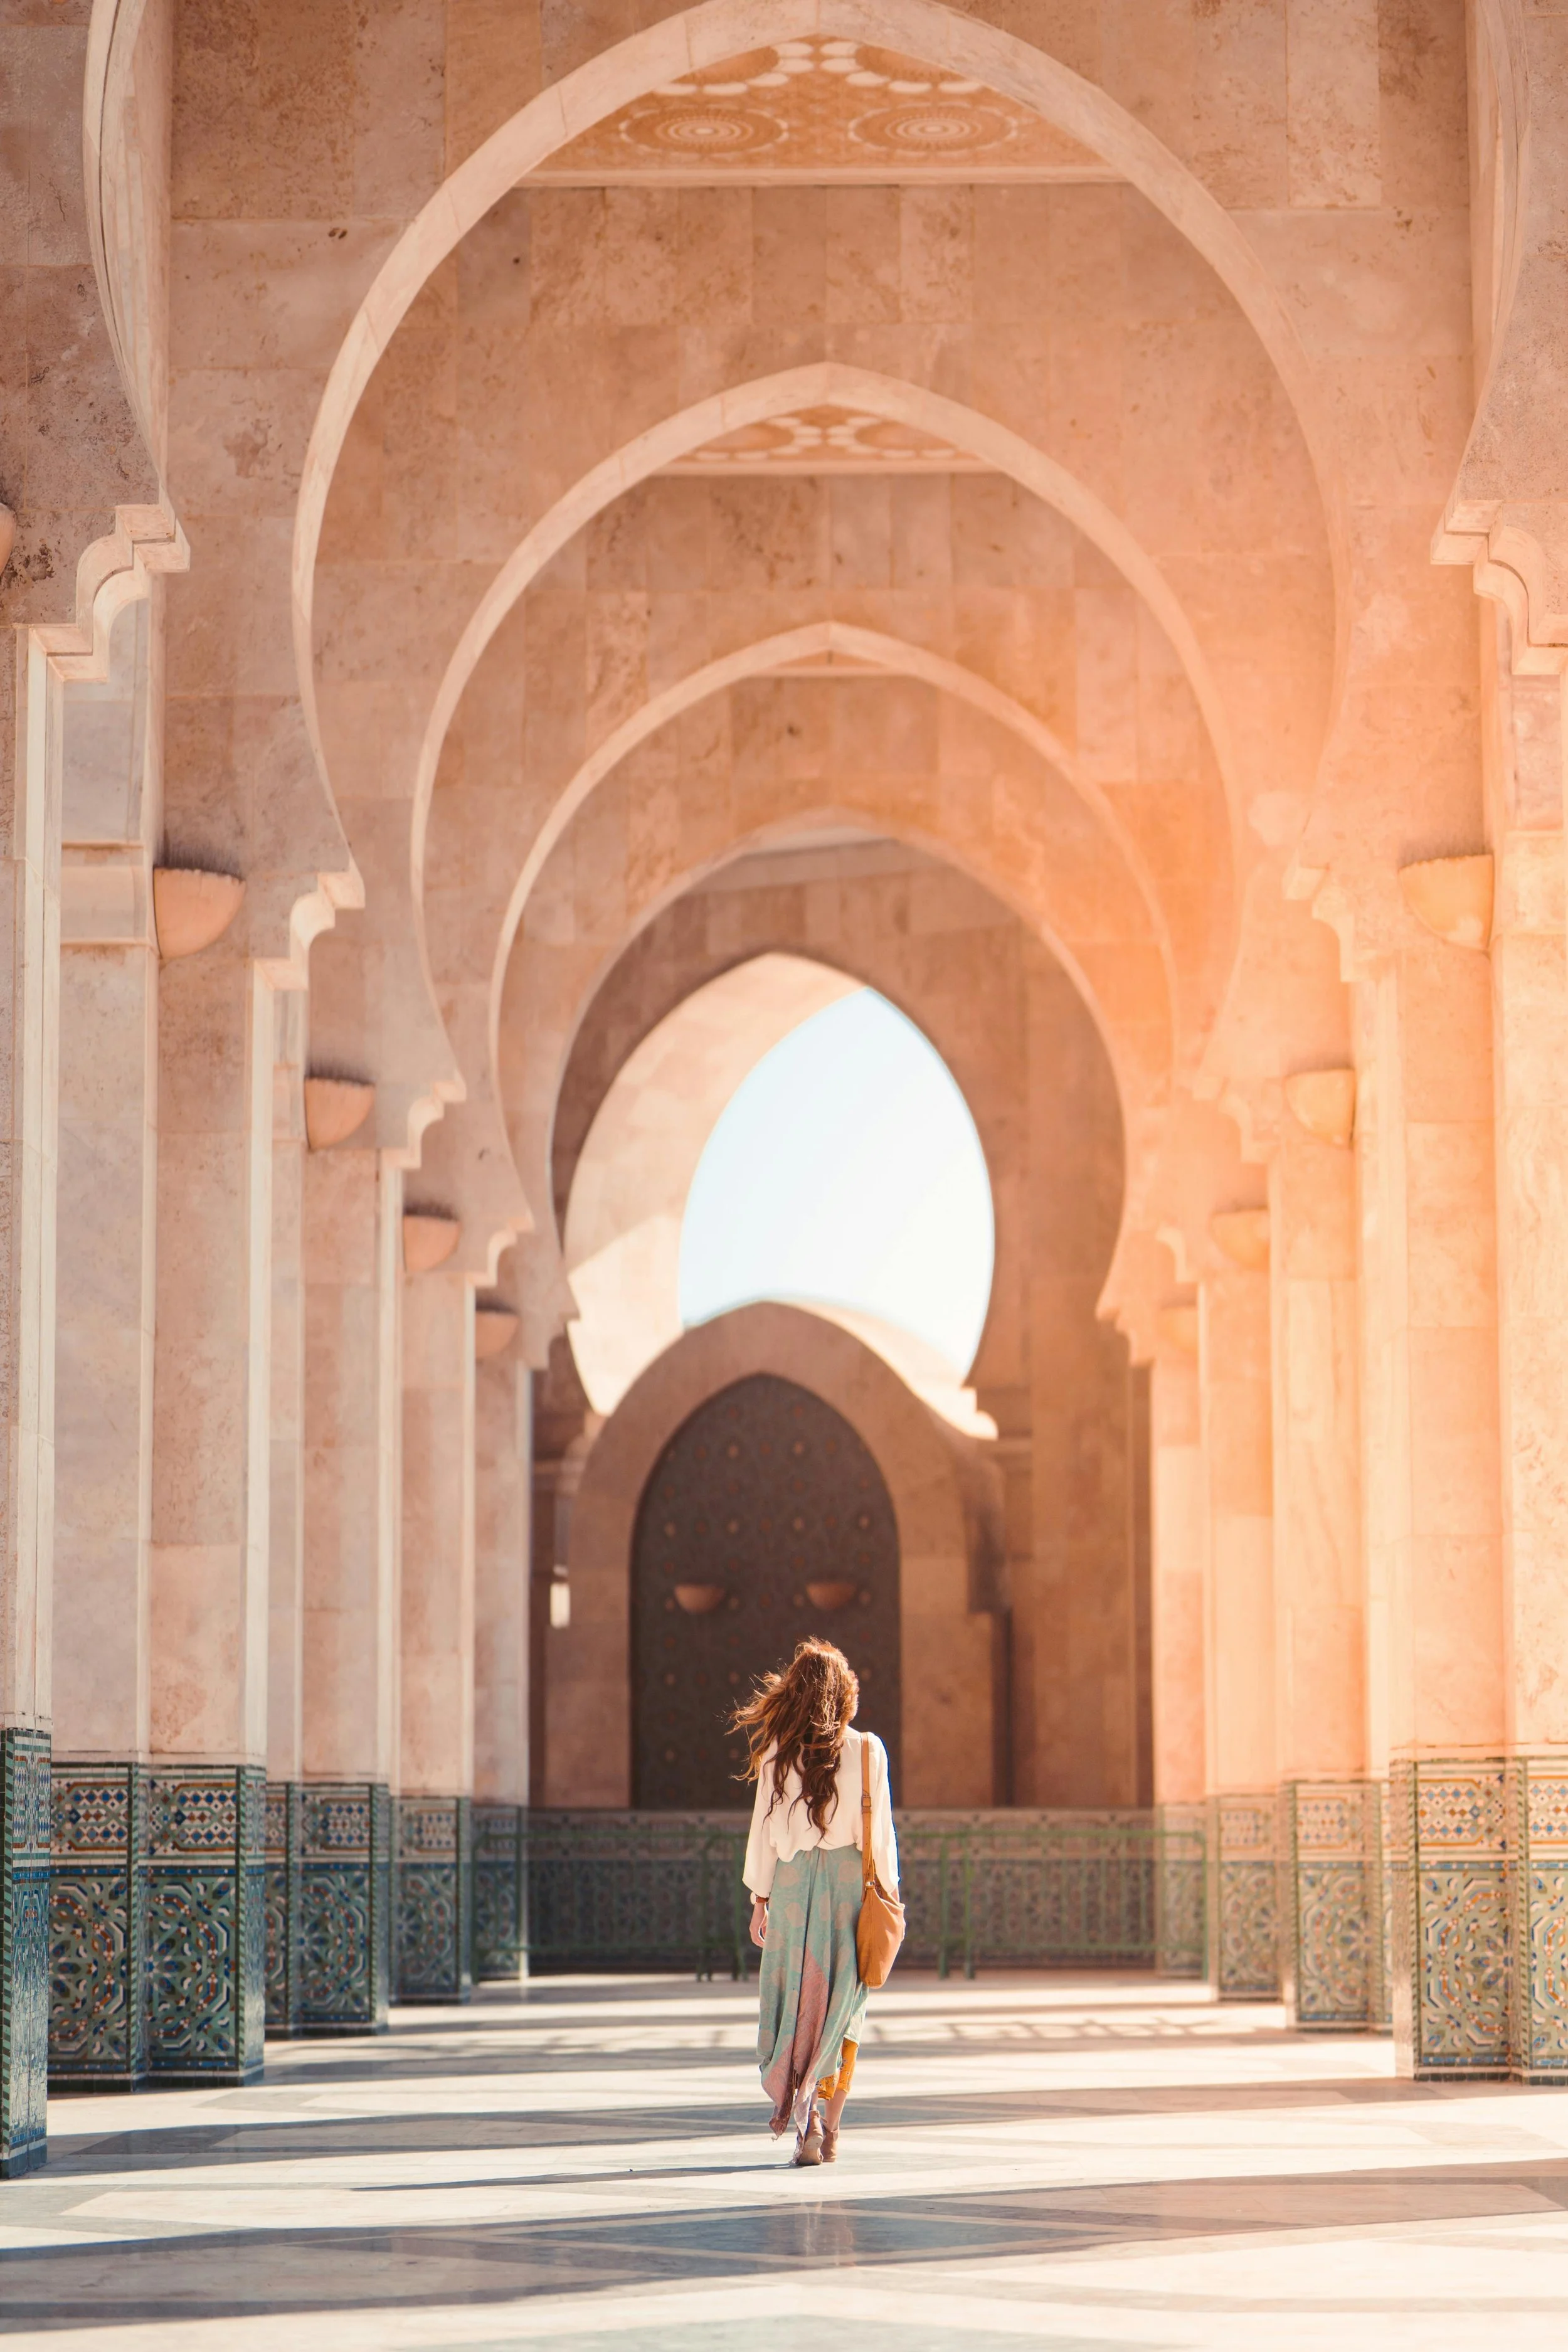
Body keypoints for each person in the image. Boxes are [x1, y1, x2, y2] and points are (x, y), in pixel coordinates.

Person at [733, 1637, 899, 2167]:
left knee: (797, 2009)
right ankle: (828, 2129)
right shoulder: (869, 1751)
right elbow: (883, 1837)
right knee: (842, 2013)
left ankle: (800, 2120)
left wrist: (759, 1899)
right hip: (850, 1893)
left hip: (790, 1893)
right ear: (845, 1694)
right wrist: (889, 1894)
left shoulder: (777, 1755)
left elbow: (763, 1835)